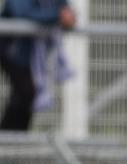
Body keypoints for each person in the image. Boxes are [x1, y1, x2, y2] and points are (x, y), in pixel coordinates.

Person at [0, 0, 75, 131]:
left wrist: (68, 17)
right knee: (26, 93)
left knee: (26, 96)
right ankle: (10, 139)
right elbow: (22, 13)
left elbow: (67, 12)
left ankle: (13, 141)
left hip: (31, 55)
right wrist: (57, 16)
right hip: (12, 51)